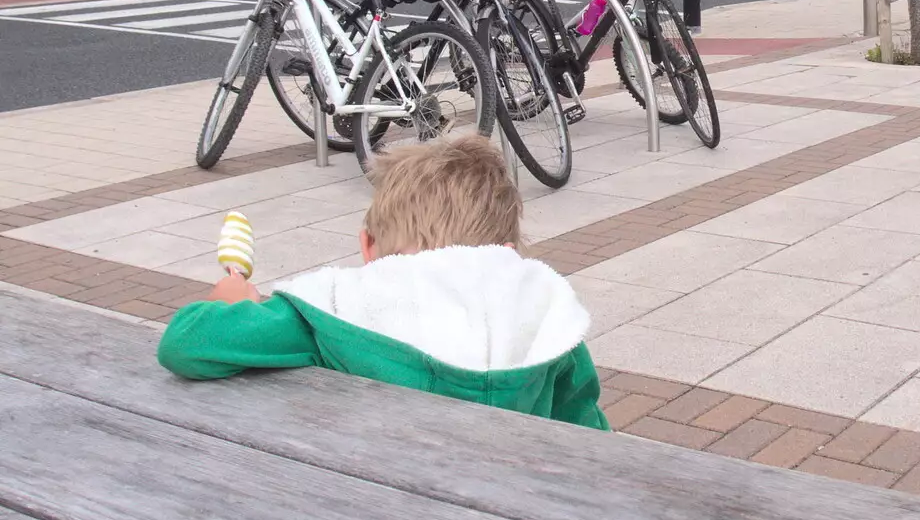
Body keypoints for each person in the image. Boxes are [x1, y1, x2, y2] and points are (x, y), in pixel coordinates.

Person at [156, 134, 609, 431]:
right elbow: (590, 432)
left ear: (367, 247)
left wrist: (231, 300)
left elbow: (186, 345)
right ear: (507, 253)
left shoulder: (337, 310)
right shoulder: (548, 319)